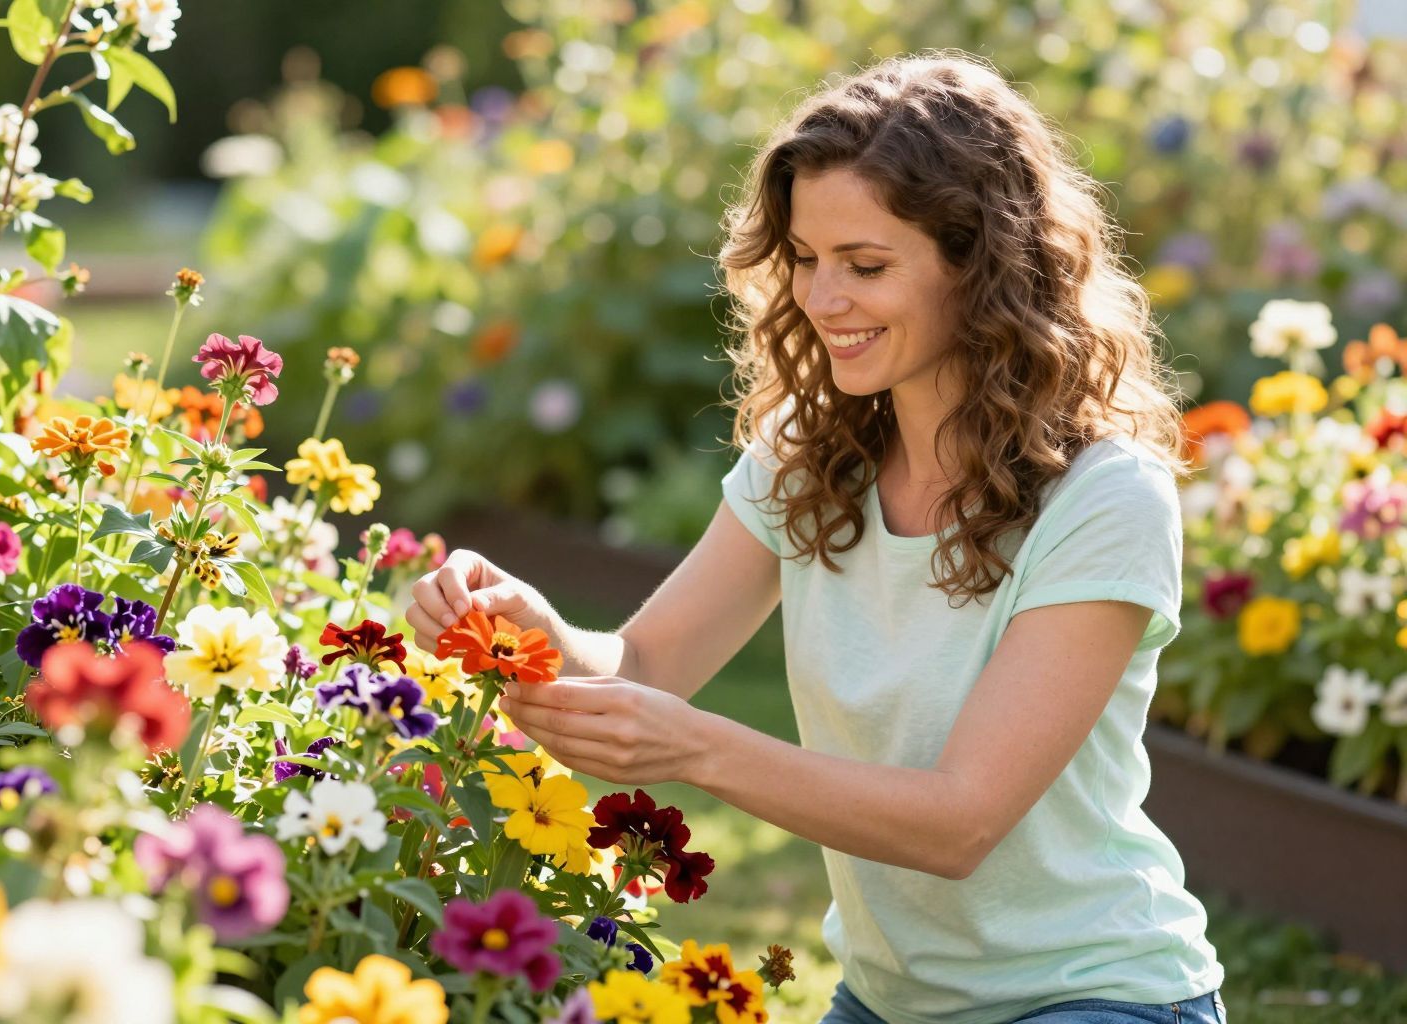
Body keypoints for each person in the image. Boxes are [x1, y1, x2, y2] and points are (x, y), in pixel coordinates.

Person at [405, 51, 1227, 1024]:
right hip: (887, 1003)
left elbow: (960, 820)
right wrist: (537, 632)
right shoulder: (809, 457)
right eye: (804, 257)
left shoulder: (1105, 498)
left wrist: (698, 751)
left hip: (1093, 993)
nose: (821, 299)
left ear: (981, 265)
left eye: (866, 265)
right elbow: (650, 662)